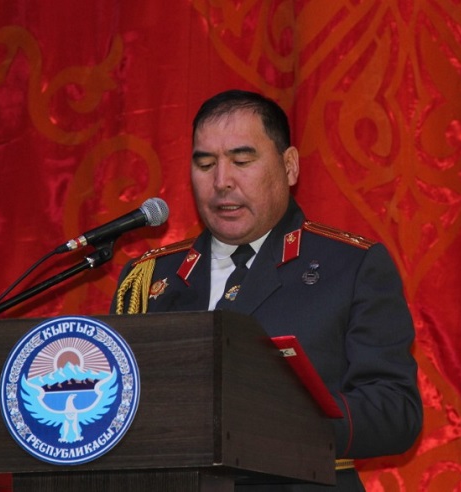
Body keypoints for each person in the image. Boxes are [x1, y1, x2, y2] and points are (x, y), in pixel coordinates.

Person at [114, 89, 422, 491]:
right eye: (205, 164)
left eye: (242, 161)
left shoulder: (349, 266)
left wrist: (283, 419)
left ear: (289, 166)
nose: (221, 182)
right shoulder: (150, 277)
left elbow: (396, 411)